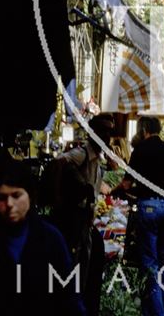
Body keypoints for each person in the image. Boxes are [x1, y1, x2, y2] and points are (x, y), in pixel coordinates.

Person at [0, 159, 86, 314]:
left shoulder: (50, 239)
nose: (9, 204)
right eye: (2, 198)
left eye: (16, 195)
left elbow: (69, 297)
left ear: (30, 197)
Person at [119, 116, 164, 316]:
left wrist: (115, 191)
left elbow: (125, 184)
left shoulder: (140, 151)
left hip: (148, 207)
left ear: (143, 131)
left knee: (150, 265)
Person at [52, 113, 114, 315]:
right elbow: (59, 162)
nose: (106, 136)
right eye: (102, 131)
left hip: (84, 222)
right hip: (73, 222)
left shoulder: (96, 159)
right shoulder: (82, 154)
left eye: (109, 132)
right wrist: (66, 193)